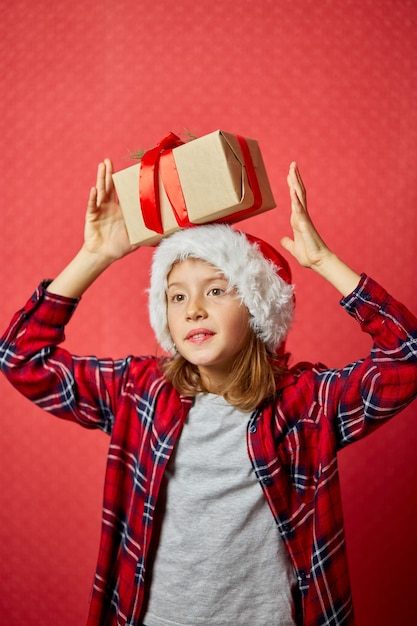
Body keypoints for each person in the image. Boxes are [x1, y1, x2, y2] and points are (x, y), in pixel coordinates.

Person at [1, 159, 416, 626]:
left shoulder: (305, 404)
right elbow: (21, 357)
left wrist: (324, 261)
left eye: (216, 291)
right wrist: (95, 254)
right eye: (177, 296)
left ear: (257, 308)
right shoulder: (139, 393)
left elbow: (408, 357)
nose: (194, 309)